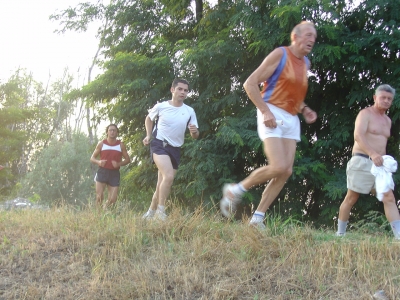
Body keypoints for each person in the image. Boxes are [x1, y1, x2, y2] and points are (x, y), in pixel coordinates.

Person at [219, 21, 318, 229]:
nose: (312, 40)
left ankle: (257, 219)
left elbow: (293, 94)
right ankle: (235, 190)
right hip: (271, 111)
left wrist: (304, 109)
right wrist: (265, 111)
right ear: (295, 37)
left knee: (286, 171)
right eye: (308, 35)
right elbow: (250, 83)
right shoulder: (280, 55)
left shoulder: (306, 64)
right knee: (278, 166)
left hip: (292, 119)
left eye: (314, 37)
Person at [336, 84, 400, 239]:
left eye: (389, 99)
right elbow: (358, 136)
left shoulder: (387, 121)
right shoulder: (365, 114)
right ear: (375, 98)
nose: (386, 101)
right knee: (352, 197)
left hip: (380, 166)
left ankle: (399, 236)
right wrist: (372, 153)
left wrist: (382, 160)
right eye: (383, 97)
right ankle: (340, 234)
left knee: (389, 197)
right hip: (362, 160)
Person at [142, 78, 199, 220]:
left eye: (185, 90)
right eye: (180, 89)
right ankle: (161, 213)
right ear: (172, 90)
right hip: (159, 144)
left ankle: (150, 213)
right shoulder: (161, 106)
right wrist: (148, 135)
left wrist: (193, 131)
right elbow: (149, 119)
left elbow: (195, 135)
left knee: (161, 184)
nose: (183, 92)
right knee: (169, 176)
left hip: (175, 149)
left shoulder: (189, 111)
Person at [90, 124, 131, 209]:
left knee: (113, 200)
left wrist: (119, 164)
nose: (112, 132)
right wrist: (99, 162)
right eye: (110, 130)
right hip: (102, 171)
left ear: (117, 133)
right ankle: (98, 217)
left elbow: (127, 159)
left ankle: (105, 208)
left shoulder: (120, 145)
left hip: (114, 173)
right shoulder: (101, 144)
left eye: (114, 130)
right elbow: (92, 158)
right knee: (99, 197)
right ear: (107, 132)